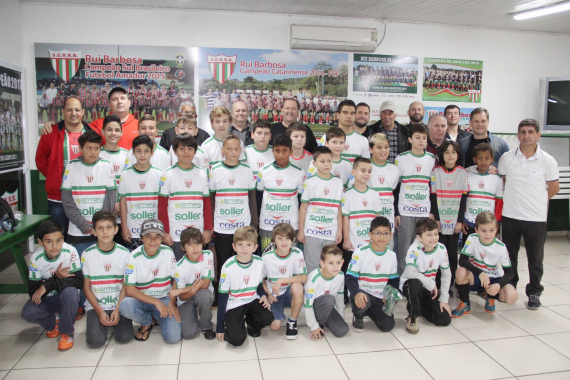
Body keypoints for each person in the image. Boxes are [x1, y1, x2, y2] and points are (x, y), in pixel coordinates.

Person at [498, 118, 559, 310]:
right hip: (510, 215)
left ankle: (534, 292)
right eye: (523, 132)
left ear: (538, 135)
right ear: (518, 135)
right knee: (509, 256)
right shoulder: (507, 158)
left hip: (536, 218)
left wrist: (536, 202)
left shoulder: (548, 160)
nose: (526, 136)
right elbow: (503, 182)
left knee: (535, 258)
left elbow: (554, 188)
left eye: (530, 132)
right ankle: (511, 286)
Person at [36, 97, 97, 234]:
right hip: (58, 197)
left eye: (77, 110)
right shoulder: (50, 133)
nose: (73, 113)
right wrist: (55, 176)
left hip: (87, 196)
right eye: (69, 110)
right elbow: (40, 160)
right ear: (63, 111)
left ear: (82, 112)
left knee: (86, 236)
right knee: (58, 236)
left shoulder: (93, 133)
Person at [21, 220, 83, 351]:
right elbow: (34, 291)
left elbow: (78, 281)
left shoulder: (70, 251)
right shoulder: (36, 259)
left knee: (71, 292)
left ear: (63, 239)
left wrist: (48, 285)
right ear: (40, 242)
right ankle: (53, 323)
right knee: (27, 312)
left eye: (59, 240)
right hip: (47, 299)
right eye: (49, 241)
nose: (55, 246)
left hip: (64, 298)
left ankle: (67, 332)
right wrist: (55, 279)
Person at [210, 134, 258, 297]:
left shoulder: (247, 169)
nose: (233, 151)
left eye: (236, 148)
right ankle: (221, 295)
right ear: (222, 150)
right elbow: (211, 199)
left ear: (241, 150)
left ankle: (242, 292)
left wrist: (254, 224)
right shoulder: (215, 170)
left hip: (242, 227)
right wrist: (210, 225)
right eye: (229, 148)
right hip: (221, 227)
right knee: (223, 262)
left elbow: (252, 199)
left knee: (243, 261)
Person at [119, 219, 181, 343]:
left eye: (157, 237)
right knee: (125, 305)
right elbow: (129, 289)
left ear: (162, 238)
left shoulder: (168, 252)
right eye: (148, 236)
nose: (153, 241)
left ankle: (157, 316)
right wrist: (156, 303)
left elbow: (176, 279)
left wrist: (172, 303)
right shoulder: (133, 257)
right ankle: (147, 321)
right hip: (143, 299)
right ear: (141, 238)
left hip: (164, 298)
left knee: (173, 338)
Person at [82, 210, 133, 348]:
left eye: (109, 227)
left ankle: (114, 318)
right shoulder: (87, 254)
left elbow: (126, 285)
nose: (105, 232)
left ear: (116, 230)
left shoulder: (124, 253)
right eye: (100, 228)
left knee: (125, 338)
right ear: (93, 231)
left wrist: (117, 308)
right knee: (95, 342)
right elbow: (86, 288)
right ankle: (98, 320)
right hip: (97, 305)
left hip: (119, 303)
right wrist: (99, 311)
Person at [61, 130, 117, 257]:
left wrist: (100, 224)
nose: (93, 152)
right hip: (79, 230)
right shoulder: (71, 166)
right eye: (88, 148)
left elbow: (110, 198)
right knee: (81, 268)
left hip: (102, 231)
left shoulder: (106, 165)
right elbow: (67, 200)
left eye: (96, 148)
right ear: (81, 148)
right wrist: (83, 225)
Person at [452, 212, 518, 317]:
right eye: (483, 230)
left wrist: (498, 285)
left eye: (491, 230)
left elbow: (510, 272)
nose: (488, 234)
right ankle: (465, 303)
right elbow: (462, 260)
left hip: (493, 278)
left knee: (511, 297)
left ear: (496, 229)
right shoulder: (472, 238)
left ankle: (491, 296)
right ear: (477, 230)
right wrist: (480, 272)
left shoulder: (501, 247)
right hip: (477, 276)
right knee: (460, 272)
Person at [216, 227, 274, 346]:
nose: (244, 248)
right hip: (234, 303)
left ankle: (251, 323)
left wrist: (263, 295)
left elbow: (258, 284)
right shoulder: (228, 267)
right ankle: (235, 323)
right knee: (237, 340)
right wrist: (220, 327)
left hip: (252, 300)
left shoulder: (259, 262)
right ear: (234, 247)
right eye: (240, 244)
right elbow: (222, 298)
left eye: (248, 245)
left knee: (268, 318)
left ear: (255, 248)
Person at [159, 134, 213, 260]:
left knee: (197, 269)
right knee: (177, 270)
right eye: (182, 149)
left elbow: (207, 204)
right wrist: (165, 232)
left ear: (195, 151)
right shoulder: (167, 174)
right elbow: (162, 206)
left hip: (198, 232)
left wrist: (208, 229)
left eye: (190, 149)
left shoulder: (202, 173)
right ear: (175, 151)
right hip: (175, 234)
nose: (186, 152)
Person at [394, 124, 436, 274]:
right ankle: (402, 279)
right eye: (417, 138)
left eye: (424, 138)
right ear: (410, 139)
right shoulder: (401, 158)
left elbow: (433, 188)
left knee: (421, 246)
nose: (421, 141)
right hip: (405, 209)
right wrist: (396, 213)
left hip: (423, 210)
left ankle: (418, 278)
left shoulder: (431, 159)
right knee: (404, 247)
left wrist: (431, 210)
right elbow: (396, 187)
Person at [346, 216, 399, 333]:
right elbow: (350, 277)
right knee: (362, 300)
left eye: (386, 233)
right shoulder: (360, 252)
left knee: (387, 326)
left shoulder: (392, 255)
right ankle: (358, 315)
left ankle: (370, 311)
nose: (382, 237)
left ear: (391, 235)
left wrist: (389, 295)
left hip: (380, 296)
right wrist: (356, 292)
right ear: (370, 235)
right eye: (377, 233)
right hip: (363, 293)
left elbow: (394, 279)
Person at [40, 87, 139, 149]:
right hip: (104, 177)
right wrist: (53, 125)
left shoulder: (139, 125)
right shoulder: (97, 124)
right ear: (108, 104)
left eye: (122, 98)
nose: (119, 102)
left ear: (129, 102)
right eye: (114, 99)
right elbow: (74, 126)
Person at [400, 218, 452, 334]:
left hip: (429, 288)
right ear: (419, 238)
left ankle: (420, 307)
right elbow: (410, 272)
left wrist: (444, 299)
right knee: (415, 283)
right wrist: (430, 283)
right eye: (429, 235)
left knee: (444, 319)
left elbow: (446, 274)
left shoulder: (442, 249)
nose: (433, 238)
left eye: (435, 234)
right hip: (410, 285)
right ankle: (413, 316)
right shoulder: (414, 249)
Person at [298, 146, 343, 274]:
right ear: (314, 163)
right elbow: (303, 207)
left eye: (329, 161)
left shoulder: (338, 182)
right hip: (312, 231)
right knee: (312, 264)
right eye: (322, 161)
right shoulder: (310, 182)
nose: (326, 164)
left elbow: (339, 208)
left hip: (331, 230)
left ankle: (328, 292)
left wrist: (339, 230)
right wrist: (301, 230)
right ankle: (311, 292)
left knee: (330, 263)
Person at [430, 141, 468, 291]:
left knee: (452, 255)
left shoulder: (462, 173)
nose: (450, 155)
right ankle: (438, 284)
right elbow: (433, 196)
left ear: (458, 154)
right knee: (439, 253)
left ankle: (449, 285)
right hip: (440, 221)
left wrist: (459, 221)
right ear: (442, 155)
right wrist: (437, 219)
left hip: (454, 222)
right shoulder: (436, 171)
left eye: (453, 152)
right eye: (447, 152)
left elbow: (463, 198)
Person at [256, 135, 304, 251]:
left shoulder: (299, 173)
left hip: (291, 226)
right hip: (268, 226)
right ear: (272, 151)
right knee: (267, 261)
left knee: (288, 261)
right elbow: (258, 198)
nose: (281, 155)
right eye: (277, 151)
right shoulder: (263, 171)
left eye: (284, 151)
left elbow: (302, 201)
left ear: (291, 151)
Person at [169, 227, 216, 340]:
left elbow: (204, 285)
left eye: (198, 244)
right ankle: (193, 312)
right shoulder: (179, 267)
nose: (195, 248)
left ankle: (206, 325)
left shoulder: (208, 255)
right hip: (187, 299)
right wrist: (191, 291)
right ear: (182, 247)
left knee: (204, 296)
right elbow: (182, 297)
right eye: (190, 245)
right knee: (188, 334)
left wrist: (181, 289)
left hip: (203, 293)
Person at [262, 223, 307, 339]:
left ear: (293, 241)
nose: (284, 242)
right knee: (274, 326)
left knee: (297, 286)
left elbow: (303, 277)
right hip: (273, 296)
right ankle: (279, 315)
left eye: (287, 239)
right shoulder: (266, 257)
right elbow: (260, 281)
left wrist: (281, 281)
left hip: (288, 293)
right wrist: (267, 294)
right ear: (274, 241)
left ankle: (292, 321)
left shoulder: (297, 253)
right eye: (280, 238)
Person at [118, 135, 162, 251]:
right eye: (138, 151)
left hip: (154, 232)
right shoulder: (125, 174)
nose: (142, 155)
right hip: (132, 231)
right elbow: (123, 202)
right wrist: (124, 226)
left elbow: (163, 203)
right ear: (133, 152)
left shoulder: (159, 174)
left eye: (146, 151)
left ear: (152, 152)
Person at [303, 245, 349, 340]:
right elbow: (308, 305)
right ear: (322, 264)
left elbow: (340, 298)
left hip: (328, 307)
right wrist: (313, 326)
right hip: (315, 307)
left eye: (338, 262)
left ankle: (324, 321)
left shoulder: (340, 276)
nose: (335, 266)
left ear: (342, 262)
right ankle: (318, 324)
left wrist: (340, 317)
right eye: (331, 263)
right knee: (329, 298)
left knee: (342, 331)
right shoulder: (314, 279)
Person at [463, 143, 504, 237]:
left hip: (488, 225)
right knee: (468, 250)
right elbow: (463, 199)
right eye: (480, 158)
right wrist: (463, 219)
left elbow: (499, 202)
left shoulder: (497, 178)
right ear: (474, 159)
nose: (483, 162)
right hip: (469, 222)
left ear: (492, 159)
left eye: (487, 158)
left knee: (487, 250)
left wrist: (497, 222)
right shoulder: (466, 174)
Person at [368, 133, 400, 248]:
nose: (383, 150)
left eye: (386, 147)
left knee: (387, 251)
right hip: (368, 218)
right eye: (379, 147)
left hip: (388, 217)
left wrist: (395, 213)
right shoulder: (365, 167)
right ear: (370, 149)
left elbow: (394, 192)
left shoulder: (394, 169)